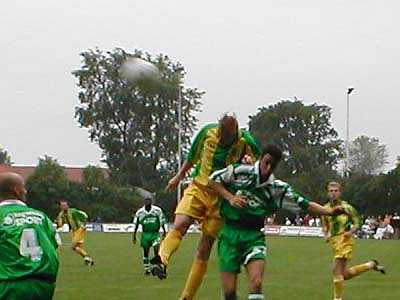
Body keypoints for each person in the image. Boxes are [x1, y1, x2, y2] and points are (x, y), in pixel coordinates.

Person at [208, 145, 344, 300]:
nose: (268, 168)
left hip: (254, 236)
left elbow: (304, 203)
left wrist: (329, 212)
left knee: (256, 283)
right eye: (267, 162)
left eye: (273, 165)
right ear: (261, 158)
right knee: (229, 292)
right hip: (229, 233)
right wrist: (230, 197)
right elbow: (212, 181)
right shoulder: (239, 172)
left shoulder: (277, 188)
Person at [152, 113, 261, 300]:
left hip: (221, 198)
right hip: (199, 188)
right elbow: (192, 158)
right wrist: (178, 177)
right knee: (180, 224)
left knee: (205, 247)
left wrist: (251, 164)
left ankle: (186, 297)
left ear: (234, 133)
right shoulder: (206, 132)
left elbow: (259, 165)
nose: (222, 139)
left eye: (226, 137)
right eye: (220, 135)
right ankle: (161, 259)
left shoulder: (246, 141)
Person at [321, 182, 385, 300]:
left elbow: (358, 222)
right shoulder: (325, 209)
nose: (333, 193)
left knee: (335, 270)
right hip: (335, 242)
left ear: (340, 192)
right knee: (344, 274)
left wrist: (350, 232)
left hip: (345, 241)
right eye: (331, 191)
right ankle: (370, 264)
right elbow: (325, 225)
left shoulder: (347, 208)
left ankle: (337, 298)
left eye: (336, 190)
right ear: (328, 193)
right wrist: (326, 234)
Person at [0, 172, 59, 300]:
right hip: (43, 286)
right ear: (16, 190)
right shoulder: (41, 216)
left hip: (9, 286)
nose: (25, 191)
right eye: (23, 187)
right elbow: (54, 245)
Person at [133, 198, 167, 275]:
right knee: (146, 252)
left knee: (156, 248)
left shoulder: (157, 210)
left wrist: (164, 232)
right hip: (145, 234)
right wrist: (134, 236)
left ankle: (157, 266)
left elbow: (162, 221)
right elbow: (136, 224)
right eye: (146, 202)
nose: (147, 203)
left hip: (155, 233)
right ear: (144, 203)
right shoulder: (140, 212)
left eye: (149, 202)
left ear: (151, 203)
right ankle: (147, 269)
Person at [56, 200, 94, 266]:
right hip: (74, 231)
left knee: (73, 246)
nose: (64, 207)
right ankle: (88, 259)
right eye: (62, 205)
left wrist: (84, 223)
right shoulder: (61, 214)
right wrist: (58, 224)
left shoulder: (73, 211)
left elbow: (84, 215)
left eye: (65, 205)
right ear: (60, 207)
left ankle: (87, 257)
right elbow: (60, 224)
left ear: (67, 205)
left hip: (79, 229)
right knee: (76, 247)